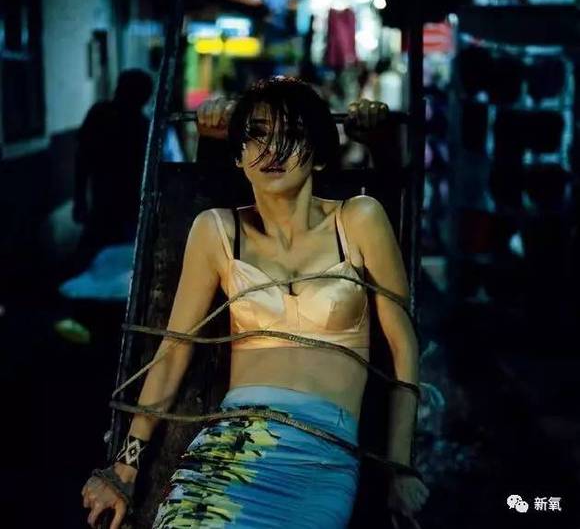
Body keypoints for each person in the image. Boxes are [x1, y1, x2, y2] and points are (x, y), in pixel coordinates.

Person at [81, 76, 428, 528]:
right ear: (239, 155)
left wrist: (400, 468)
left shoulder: (359, 219)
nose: (272, 150)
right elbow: (174, 349)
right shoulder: (217, 230)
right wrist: (125, 466)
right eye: (258, 134)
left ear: (321, 154)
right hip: (227, 451)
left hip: (318, 461)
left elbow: (403, 347)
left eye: (292, 134)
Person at [72, 69, 153, 269]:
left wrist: (80, 199)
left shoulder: (106, 115)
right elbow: (83, 158)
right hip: (116, 203)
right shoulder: (138, 124)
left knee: (105, 258)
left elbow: (82, 159)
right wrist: (80, 199)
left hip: (118, 203)